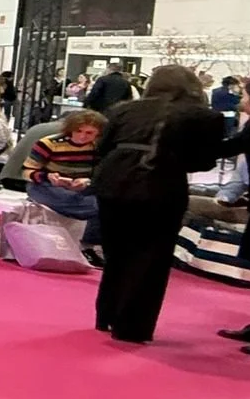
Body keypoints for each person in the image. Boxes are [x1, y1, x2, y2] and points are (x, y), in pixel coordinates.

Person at [92, 65, 229, 343]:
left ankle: (106, 313)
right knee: (151, 257)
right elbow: (201, 161)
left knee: (116, 253)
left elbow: (102, 148)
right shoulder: (204, 116)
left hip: (113, 183)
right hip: (161, 186)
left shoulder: (123, 110)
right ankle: (131, 327)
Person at [22, 109, 107, 262]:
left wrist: (87, 181)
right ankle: (88, 240)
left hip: (81, 187)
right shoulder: (48, 143)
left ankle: (90, 244)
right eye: (78, 131)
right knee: (86, 203)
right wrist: (47, 176)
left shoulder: (97, 148)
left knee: (105, 201)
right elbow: (27, 171)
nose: (82, 136)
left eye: (89, 133)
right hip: (46, 185)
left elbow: (101, 175)